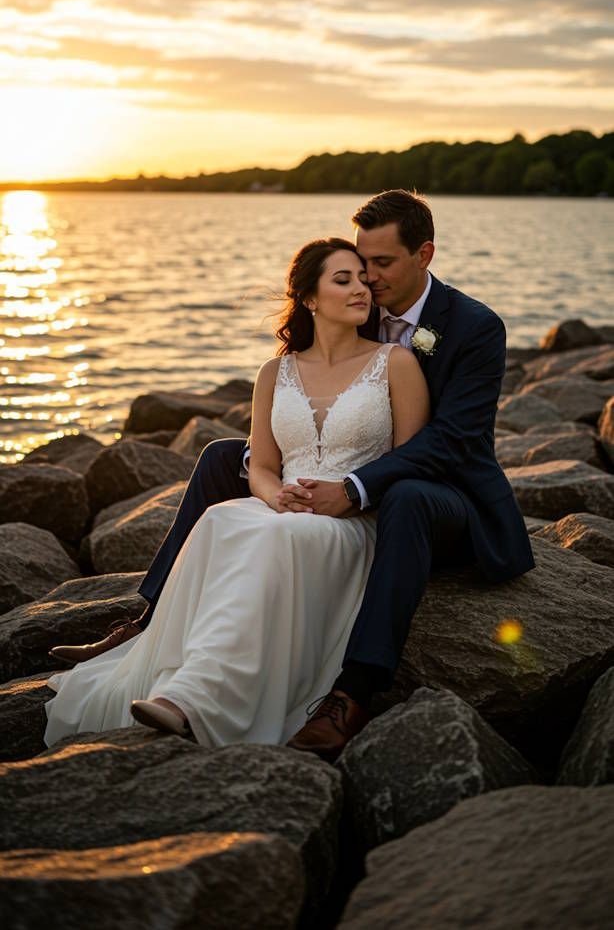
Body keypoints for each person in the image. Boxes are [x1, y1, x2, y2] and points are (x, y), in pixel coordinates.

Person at [50, 189, 535, 759]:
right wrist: (283, 487)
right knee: (218, 458)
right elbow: (305, 396)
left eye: (382, 265)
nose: (368, 280)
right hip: (334, 476)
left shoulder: (473, 326)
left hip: (445, 493)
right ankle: (150, 619)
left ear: (424, 255)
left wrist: (352, 490)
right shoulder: (354, 310)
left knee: (402, 495)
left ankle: (353, 691)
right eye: (359, 264)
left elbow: (448, 443)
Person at [44, 237, 429, 753]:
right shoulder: (276, 372)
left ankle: (192, 698)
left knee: (279, 540)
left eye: (363, 278)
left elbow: (410, 462)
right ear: (310, 298)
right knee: (223, 521)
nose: (362, 287)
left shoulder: (396, 363)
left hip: (350, 520)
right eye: (344, 279)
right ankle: (168, 660)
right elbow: (263, 467)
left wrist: (349, 495)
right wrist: (275, 499)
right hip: (283, 505)